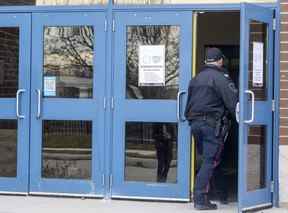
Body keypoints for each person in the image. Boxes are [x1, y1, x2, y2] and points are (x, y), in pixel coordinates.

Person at [184, 47, 238, 210]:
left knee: (210, 159)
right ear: (220, 60)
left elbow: (188, 104)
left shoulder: (196, 78)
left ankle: (220, 193)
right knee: (211, 160)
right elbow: (232, 103)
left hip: (196, 124)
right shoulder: (221, 78)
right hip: (211, 125)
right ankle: (200, 198)